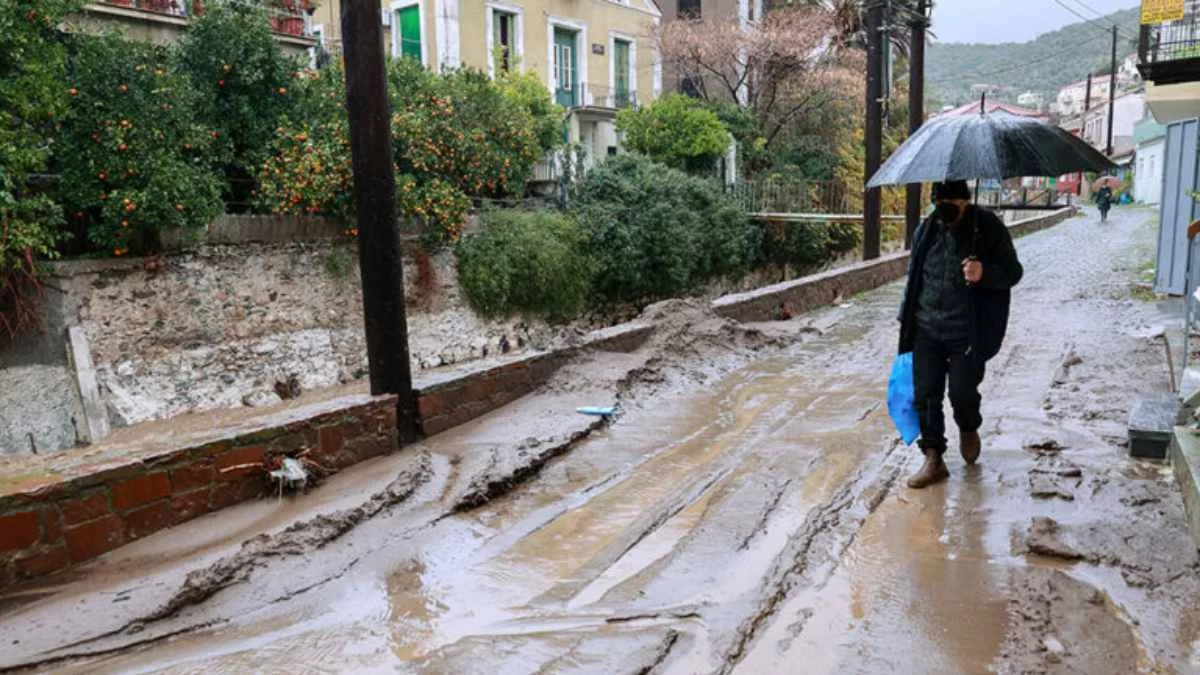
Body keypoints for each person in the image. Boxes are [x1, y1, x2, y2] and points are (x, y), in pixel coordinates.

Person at [897, 180, 1024, 489]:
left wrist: (984, 273)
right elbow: (915, 277)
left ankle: (968, 426)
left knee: (962, 393)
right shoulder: (926, 229)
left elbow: (1013, 272)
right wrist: (906, 319)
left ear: (965, 202)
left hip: (967, 330)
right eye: (940, 206)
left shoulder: (987, 227)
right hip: (926, 327)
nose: (946, 215)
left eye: (951, 207)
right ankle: (933, 458)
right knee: (926, 395)